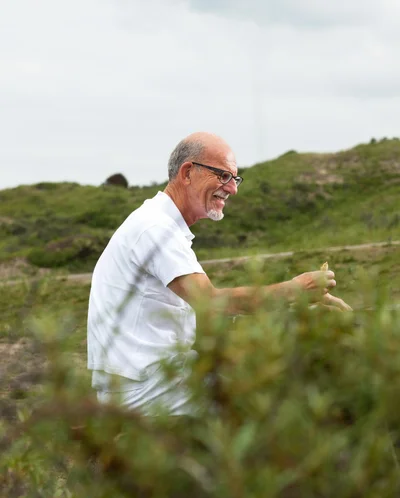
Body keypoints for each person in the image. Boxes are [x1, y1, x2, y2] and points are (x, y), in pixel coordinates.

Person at [87, 132, 351, 414]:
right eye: (223, 176)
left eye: (234, 179)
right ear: (188, 172)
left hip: (155, 380)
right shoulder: (156, 228)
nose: (232, 189)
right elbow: (210, 301)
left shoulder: (160, 225)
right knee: (278, 401)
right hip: (145, 390)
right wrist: (293, 291)